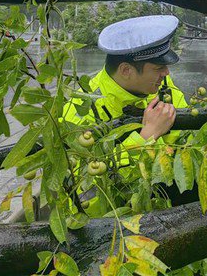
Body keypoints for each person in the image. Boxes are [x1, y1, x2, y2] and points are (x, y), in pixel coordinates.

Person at [62, 15, 187, 214]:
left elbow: (189, 141)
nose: (167, 73)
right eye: (158, 68)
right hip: (111, 225)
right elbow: (87, 192)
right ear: (126, 70)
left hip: (161, 208)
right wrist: (146, 138)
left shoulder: (161, 88)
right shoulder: (80, 111)